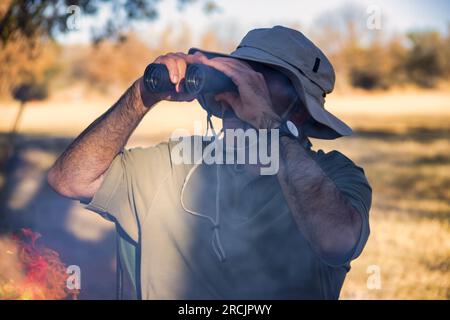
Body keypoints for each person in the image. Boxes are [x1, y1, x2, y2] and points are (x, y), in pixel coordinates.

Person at [47, 26, 372, 299]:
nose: (237, 94)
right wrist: (142, 95)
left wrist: (268, 124)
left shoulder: (335, 175)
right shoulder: (175, 165)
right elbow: (71, 180)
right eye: (236, 76)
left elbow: (336, 241)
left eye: (257, 82)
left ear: (300, 111)